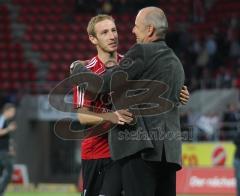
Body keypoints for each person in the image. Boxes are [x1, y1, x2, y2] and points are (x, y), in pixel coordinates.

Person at [71, 10, 188, 196]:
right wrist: (112, 116)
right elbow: (82, 116)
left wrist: (178, 93)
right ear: (93, 39)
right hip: (97, 153)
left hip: (129, 150)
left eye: (114, 30)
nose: (112, 36)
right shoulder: (88, 69)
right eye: (104, 32)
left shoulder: (131, 61)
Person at [0, 103, 17, 196]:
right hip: (1, 151)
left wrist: (10, 148)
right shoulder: (2, 119)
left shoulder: (5, 121)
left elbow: (6, 138)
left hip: (4, 150)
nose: (13, 113)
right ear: (7, 110)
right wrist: (9, 128)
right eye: (12, 111)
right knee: (9, 169)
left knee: (2, 171)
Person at [234, 131, 240, 196]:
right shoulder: (238, 134)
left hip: (237, 159)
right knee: (238, 178)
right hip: (238, 159)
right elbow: (234, 141)